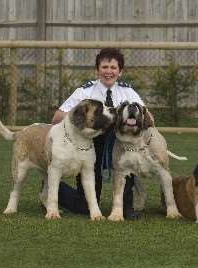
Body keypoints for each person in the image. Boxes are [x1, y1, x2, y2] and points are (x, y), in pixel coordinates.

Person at [52, 48, 144, 219]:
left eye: (113, 67)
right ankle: (54, 188)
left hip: (121, 144)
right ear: (97, 70)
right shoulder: (85, 91)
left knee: (128, 155)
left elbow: (147, 116)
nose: (109, 71)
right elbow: (57, 117)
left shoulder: (127, 91)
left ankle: (125, 204)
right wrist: (81, 116)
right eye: (105, 67)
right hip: (90, 144)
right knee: (84, 207)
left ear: (120, 71)